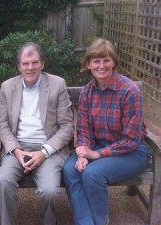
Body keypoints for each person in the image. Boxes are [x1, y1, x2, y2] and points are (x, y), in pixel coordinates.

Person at [63, 38, 150, 225]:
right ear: (88, 64)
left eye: (106, 60)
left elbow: (132, 139)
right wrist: (83, 153)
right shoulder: (87, 92)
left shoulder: (130, 91)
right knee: (70, 170)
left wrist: (95, 154)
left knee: (93, 174)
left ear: (113, 63)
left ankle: (101, 221)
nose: (101, 66)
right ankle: (85, 222)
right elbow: (84, 128)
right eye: (96, 61)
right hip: (99, 147)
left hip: (132, 152)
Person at [0, 42, 74, 225]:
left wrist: (44, 152)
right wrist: (15, 150)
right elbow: (3, 124)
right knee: (2, 183)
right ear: (19, 66)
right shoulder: (8, 86)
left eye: (35, 62)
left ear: (42, 64)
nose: (30, 67)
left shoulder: (57, 84)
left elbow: (67, 126)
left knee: (50, 192)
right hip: (18, 149)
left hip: (49, 150)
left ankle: (49, 221)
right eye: (25, 63)